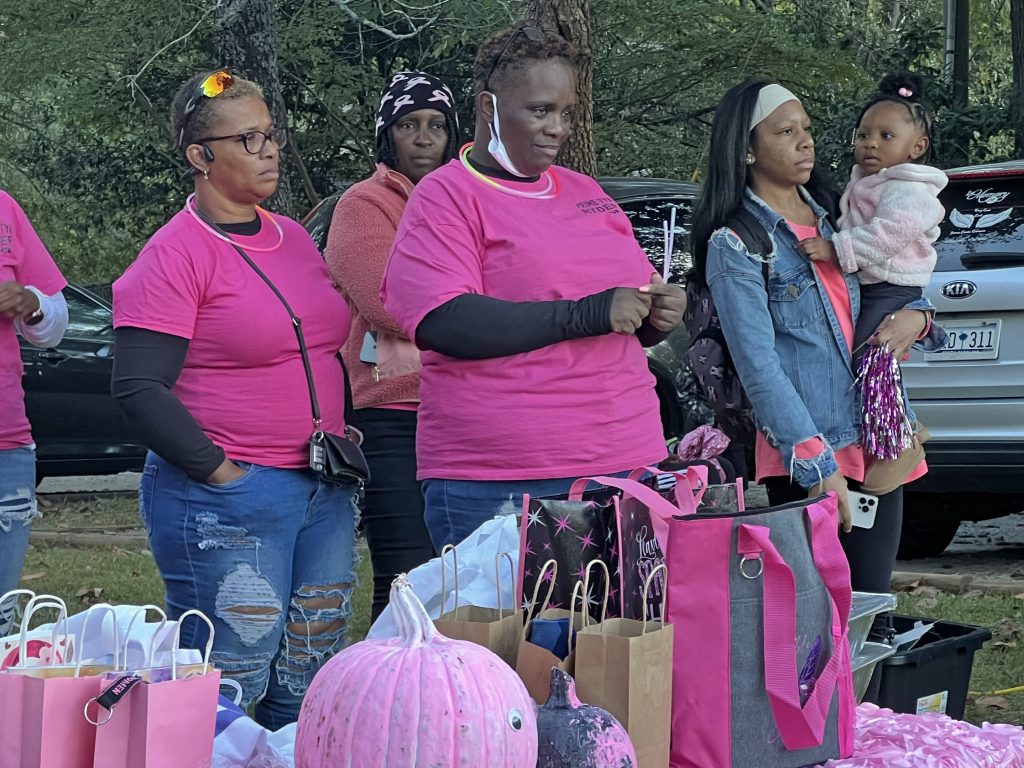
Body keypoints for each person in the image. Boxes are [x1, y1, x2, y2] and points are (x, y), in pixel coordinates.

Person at [111, 70, 357, 728]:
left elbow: (318, 344)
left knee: (311, 669)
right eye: (248, 138)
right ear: (200, 156)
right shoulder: (175, 254)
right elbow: (137, 387)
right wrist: (224, 475)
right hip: (230, 496)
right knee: (229, 681)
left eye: (270, 134)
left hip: (322, 488)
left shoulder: (293, 237)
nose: (269, 149)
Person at [381, 23, 686, 549]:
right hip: (503, 474)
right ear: (489, 107)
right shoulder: (446, 195)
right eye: (540, 110)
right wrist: (587, 313)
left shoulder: (588, 194)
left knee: (626, 608)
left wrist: (657, 316)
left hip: (628, 458)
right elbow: (442, 321)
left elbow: (625, 316)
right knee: (508, 610)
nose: (558, 128)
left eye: (567, 112)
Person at [691, 80, 943, 593]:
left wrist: (918, 317)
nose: (805, 141)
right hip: (811, 451)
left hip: (876, 439)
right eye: (785, 132)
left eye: (806, 128)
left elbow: (895, 283)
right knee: (817, 618)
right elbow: (759, 367)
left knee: (871, 605)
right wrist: (817, 465)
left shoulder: (840, 215)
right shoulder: (737, 244)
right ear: (746, 149)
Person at [324, 71, 459, 622]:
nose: (424, 138)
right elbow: (389, 302)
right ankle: (387, 675)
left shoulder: (470, 197)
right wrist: (474, 307)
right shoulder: (364, 204)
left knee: (466, 577)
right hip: (393, 411)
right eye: (409, 125)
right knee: (405, 578)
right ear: (388, 135)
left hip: (468, 407)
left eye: (436, 125)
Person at [800, 73, 945, 493]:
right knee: (873, 360)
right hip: (873, 284)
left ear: (916, 147)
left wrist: (836, 249)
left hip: (893, 285)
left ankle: (901, 438)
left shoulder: (908, 187)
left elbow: (889, 235)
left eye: (886, 136)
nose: (871, 144)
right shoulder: (868, 181)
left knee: (871, 356)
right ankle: (900, 431)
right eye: (864, 134)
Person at [0, 192, 68, 632]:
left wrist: (33, 303)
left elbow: (54, 324)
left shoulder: (4, 208)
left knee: (1, 619)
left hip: (7, 446)